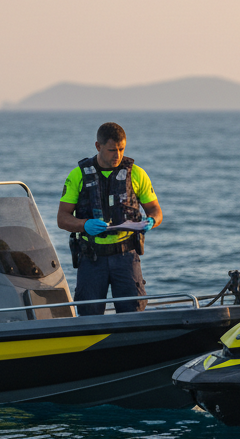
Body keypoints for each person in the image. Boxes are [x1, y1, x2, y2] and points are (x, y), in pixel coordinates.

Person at [57, 122, 162, 316]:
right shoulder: (78, 175)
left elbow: (155, 210)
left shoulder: (137, 174)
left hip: (126, 257)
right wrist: (84, 224)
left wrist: (151, 221)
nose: (118, 155)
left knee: (134, 314)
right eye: (112, 150)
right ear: (98, 146)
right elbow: (62, 219)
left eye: (122, 149)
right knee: (89, 317)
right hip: (92, 258)